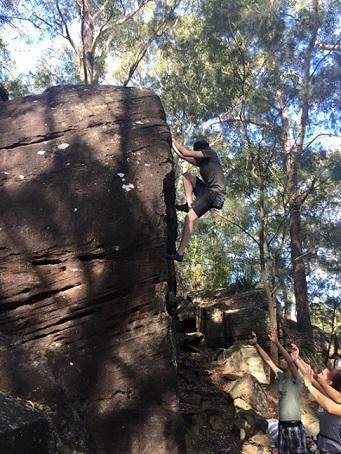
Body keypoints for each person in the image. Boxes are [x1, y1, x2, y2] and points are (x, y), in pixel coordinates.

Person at [167, 136, 226, 261]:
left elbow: (185, 152)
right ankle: (189, 204)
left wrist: (171, 137)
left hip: (215, 193)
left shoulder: (210, 153)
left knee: (190, 217)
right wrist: (171, 143)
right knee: (187, 176)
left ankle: (180, 254)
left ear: (201, 149)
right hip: (208, 190)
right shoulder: (202, 161)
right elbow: (182, 156)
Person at [252, 330, 307, 454]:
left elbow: (291, 363)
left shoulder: (296, 379)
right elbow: (268, 360)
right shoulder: (280, 375)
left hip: (294, 426)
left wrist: (277, 343)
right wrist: (257, 345)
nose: (281, 360)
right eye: (281, 359)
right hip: (281, 425)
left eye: (284, 359)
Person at [291, 345, 341, 452]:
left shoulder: (335, 404)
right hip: (322, 446)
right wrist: (297, 359)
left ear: (330, 383)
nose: (320, 373)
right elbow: (310, 375)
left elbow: (330, 408)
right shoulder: (327, 396)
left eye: (323, 373)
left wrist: (309, 386)